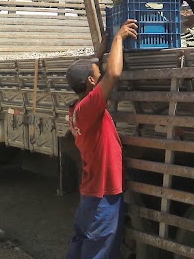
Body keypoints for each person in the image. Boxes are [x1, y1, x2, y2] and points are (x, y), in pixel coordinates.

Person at [65, 19, 138, 259]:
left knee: (82, 243)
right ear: (91, 82)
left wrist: (102, 48)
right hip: (103, 196)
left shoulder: (76, 108)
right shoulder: (88, 109)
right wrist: (118, 38)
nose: (102, 69)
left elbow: (95, 72)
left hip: (91, 195)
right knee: (100, 252)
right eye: (98, 72)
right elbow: (114, 74)